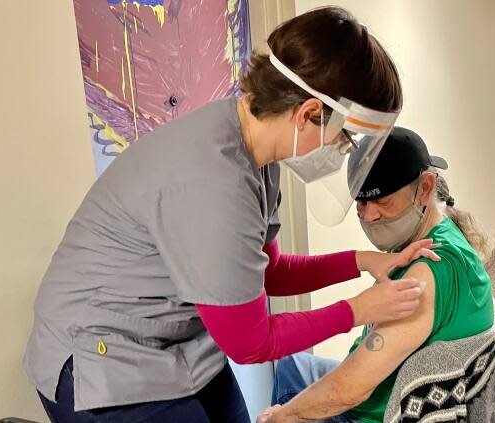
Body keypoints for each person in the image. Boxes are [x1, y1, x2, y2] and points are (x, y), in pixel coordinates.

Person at [23, 8, 439, 423]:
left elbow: (269, 272)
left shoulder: (259, 153)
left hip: (179, 344)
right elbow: (251, 342)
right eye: (345, 135)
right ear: (309, 113)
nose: (343, 148)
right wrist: (360, 309)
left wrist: (364, 263)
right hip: (102, 361)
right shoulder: (212, 180)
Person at [260, 127, 494, 423]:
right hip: (384, 384)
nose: (369, 215)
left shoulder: (426, 271)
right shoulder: (444, 233)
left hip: (375, 412)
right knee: (291, 366)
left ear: (424, 188)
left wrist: (282, 416)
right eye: (361, 202)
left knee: (283, 402)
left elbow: (351, 390)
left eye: (383, 201)